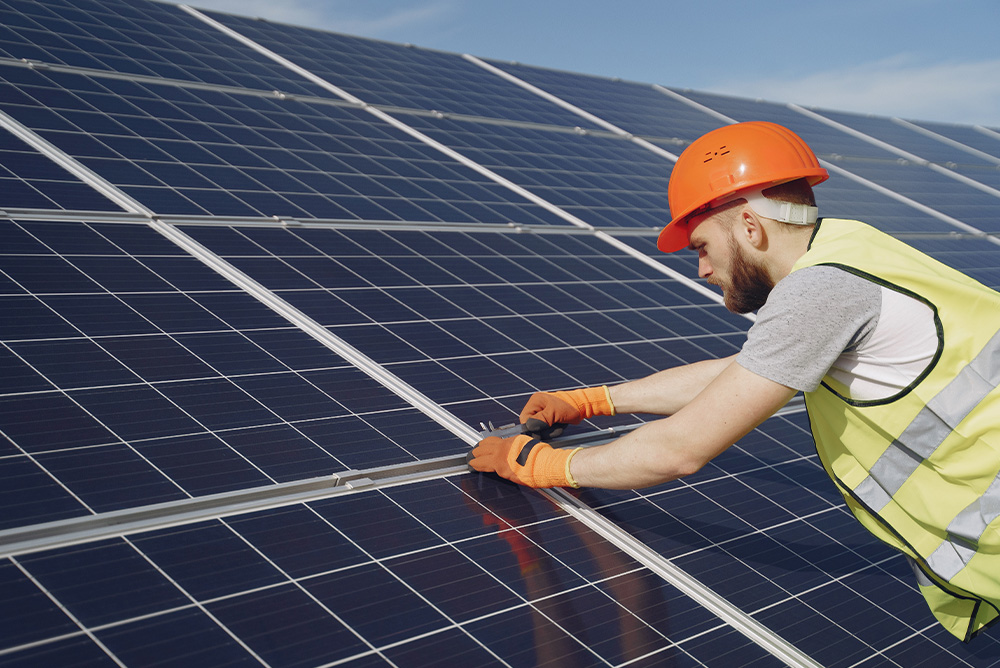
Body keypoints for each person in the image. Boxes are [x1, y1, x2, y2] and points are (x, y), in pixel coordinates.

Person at [468, 121, 1000, 642]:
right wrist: (595, 401)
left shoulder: (820, 293)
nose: (702, 269)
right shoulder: (853, 250)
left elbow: (678, 451)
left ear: (750, 226)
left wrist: (536, 464)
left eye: (701, 246)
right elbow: (747, 373)